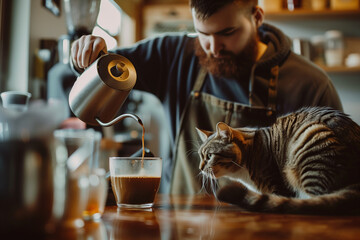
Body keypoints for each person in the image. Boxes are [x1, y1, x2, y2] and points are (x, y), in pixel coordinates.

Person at [70, 0, 343, 195]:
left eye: (227, 33)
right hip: (181, 227)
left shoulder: (310, 84)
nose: (213, 48)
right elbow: (108, 66)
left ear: (257, 17)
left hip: (269, 231)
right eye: (203, 34)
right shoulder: (174, 54)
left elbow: (335, 187)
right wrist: (89, 54)